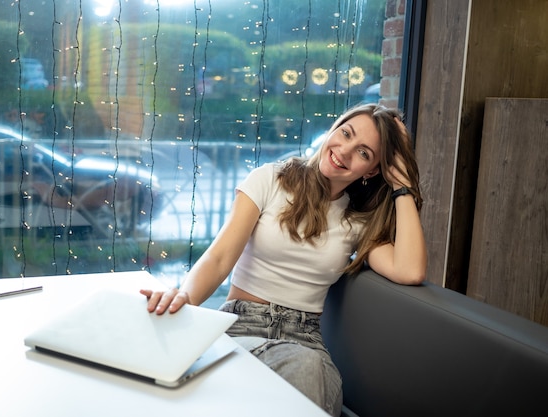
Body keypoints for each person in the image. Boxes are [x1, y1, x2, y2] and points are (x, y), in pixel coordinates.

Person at [140, 103, 427, 416]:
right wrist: (185, 297)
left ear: (371, 171)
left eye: (363, 153)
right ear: (334, 128)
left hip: (303, 344)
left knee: (305, 369)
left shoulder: (357, 222)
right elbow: (220, 258)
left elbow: (409, 270)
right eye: (345, 134)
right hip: (239, 328)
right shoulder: (269, 179)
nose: (343, 151)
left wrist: (402, 184)